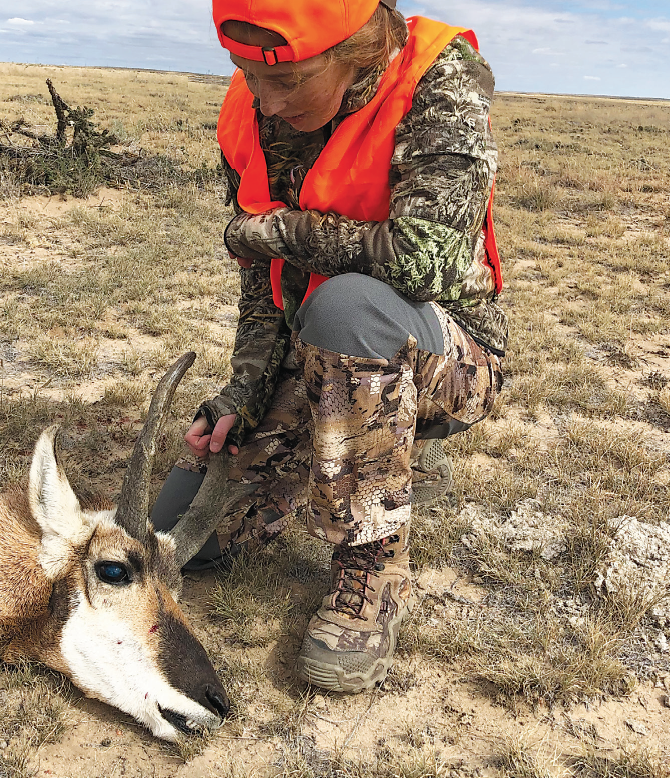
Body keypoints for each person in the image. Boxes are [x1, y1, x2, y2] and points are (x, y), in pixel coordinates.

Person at [153, 0, 507, 693]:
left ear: (358, 49)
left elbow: (427, 262)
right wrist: (245, 391)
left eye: (288, 82)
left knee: (348, 305)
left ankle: (372, 568)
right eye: (247, 73)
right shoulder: (254, 104)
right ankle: (373, 453)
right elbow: (264, 280)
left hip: (448, 358)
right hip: (321, 351)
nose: (266, 99)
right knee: (178, 536)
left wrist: (283, 232)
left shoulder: (440, 77)